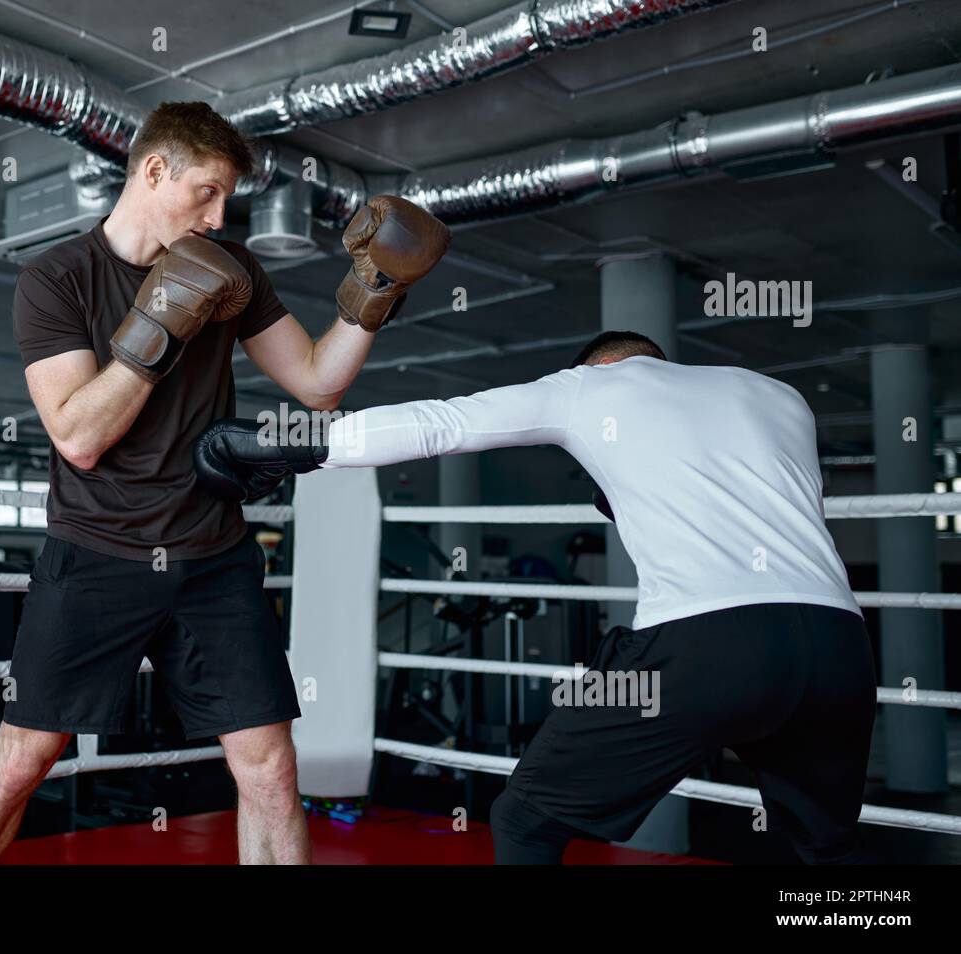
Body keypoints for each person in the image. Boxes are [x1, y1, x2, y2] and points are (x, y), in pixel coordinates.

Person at [0, 101, 449, 865]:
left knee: (272, 767)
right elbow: (79, 437)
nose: (217, 217)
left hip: (214, 557)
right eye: (206, 192)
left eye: (226, 200)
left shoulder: (235, 269)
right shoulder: (57, 279)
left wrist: (372, 290)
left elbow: (316, 383)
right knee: (22, 761)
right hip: (97, 553)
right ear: (154, 170)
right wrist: (161, 322)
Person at [194, 330, 877, 864]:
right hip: (840, 646)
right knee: (830, 847)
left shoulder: (589, 389)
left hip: (707, 645)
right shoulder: (778, 395)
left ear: (598, 366)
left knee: (524, 820)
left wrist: (286, 444)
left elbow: (440, 423)